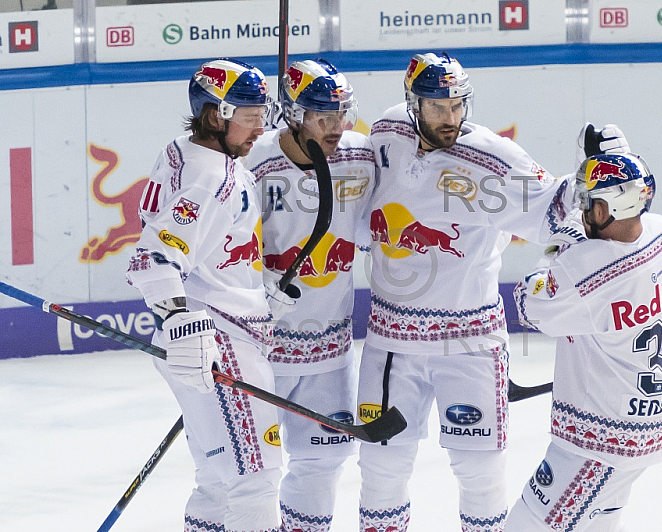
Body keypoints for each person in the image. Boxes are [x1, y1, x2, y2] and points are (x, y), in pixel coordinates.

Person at [357, 51, 628, 532]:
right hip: (391, 342)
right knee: (381, 471)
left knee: (480, 476)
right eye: (438, 107)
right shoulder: (386, 132)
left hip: (469, 345)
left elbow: (554, 210)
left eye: (459, 105)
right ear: (412, 102)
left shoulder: (492, 158)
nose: (451, 117)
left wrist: (601, 169)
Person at [126, 58, 296, 532]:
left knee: (220, 476)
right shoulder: (210, 176)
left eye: (262, 113)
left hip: (208, 331)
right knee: (257, 475)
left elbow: (202, 248)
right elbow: (154, 260)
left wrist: (257, 297)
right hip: (215, 342)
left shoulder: (184, 150)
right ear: (214, 114)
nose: (260, 127)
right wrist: (182, 325)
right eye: (249, 115)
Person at [505, 153, 662, 531]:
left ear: (607, 209)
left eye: (588, 202)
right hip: (655, 422)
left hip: (595, 443)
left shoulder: (585, 268)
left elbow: (528, 304)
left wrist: (561, 241)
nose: (583, 209)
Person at [243, 59, 375, 532]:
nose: (337, 127)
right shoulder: (252, 164)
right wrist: (256, 292)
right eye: (323, 117)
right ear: (294, 116)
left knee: (324, 463)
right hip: (260, 350)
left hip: (330, 353)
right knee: (251, 469)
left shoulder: (362, 157)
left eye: (343, 114)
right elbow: (220, 250)